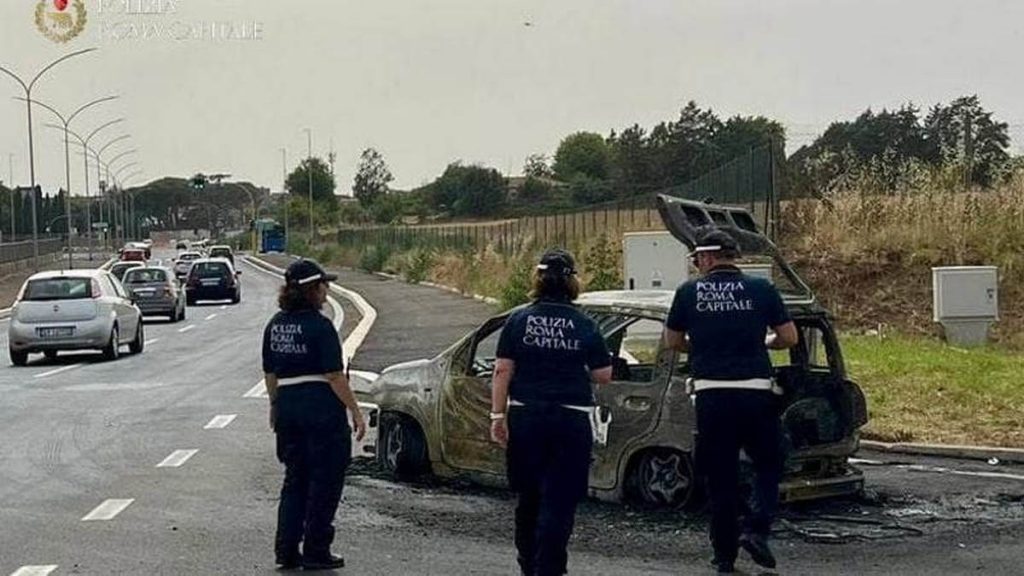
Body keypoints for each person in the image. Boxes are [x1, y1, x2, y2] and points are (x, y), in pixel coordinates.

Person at [662, 229, 798, 574]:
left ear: (707, 258)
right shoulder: (761, 289)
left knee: (719, 474)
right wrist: (762, 342)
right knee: (770, 461)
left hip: (711, 395)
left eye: (696, 259)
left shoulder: (687, 293)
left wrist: (705, 346)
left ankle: (724, 556)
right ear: (732, 255)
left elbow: (672, 341)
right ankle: (756, 529)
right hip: (755, 392)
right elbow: (789, 337)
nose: (696, 265)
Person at [489, 249, 613, 576]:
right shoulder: (585, 323)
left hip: (526, 417)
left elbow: (502, 371)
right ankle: (551, 568)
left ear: (538, 279)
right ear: (572, 281)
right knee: (560, 500)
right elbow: (603, 375)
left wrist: (497, 416)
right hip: (570, 419)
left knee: (529, 498)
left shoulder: (518, 320)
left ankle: (528, 564)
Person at [262, 258, 367, 571]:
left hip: (288, 406)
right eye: (324, 285)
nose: (327, 290)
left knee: (295, 480)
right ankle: (317, 550)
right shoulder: (320, 327)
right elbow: (335, 376)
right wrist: (356, 411)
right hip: (320, 410)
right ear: (312, 289)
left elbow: (269, 373)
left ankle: (286, 550)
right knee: (324, 480)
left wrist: (275, 406)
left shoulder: (276, 324)